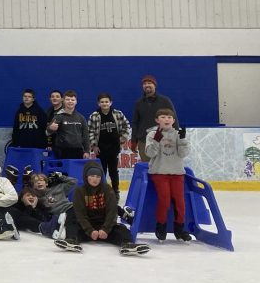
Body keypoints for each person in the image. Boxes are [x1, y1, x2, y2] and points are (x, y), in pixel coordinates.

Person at [54, 162, 151, 255]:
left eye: (98, 176)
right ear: (86, 176)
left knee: (122, 229)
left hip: (105, 228)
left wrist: (106, 229)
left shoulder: (107, 189)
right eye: (92, 176)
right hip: (86, 228)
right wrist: (90, 230)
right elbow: (80, 215)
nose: (95, 179)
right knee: (73, 226)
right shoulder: (79, 191)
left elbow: (112, 211)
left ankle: (128, 245)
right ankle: (72, 240)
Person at [145, 109, 192, 241]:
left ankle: (180, 229)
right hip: (160, 172)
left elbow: (183, 154)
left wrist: (182, 140)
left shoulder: (178, 135)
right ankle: (161, 227)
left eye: (169, 117)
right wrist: (157, 139)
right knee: (164, 200)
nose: (166, 119)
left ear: (173, 120)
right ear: (157, 120)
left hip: (177, 173)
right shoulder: (152, 134)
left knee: (180, 202)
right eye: (163, 117)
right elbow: (150, 153)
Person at [88, 93, 131, 197]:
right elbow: (90, 131)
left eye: (106, 101)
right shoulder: (94, 116)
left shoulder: (118, 114)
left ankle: (116, 191)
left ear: (111, 102)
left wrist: (122, 139)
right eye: (102, 102)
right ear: (98, 103)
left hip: (114, 147)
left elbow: (127, 126)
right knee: (101, 170)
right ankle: (100, 190)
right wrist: (94, 145)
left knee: (113, 171)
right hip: (100, 148)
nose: (104, 103)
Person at [131, 75, 178, 162]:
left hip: (163, 140)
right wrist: (134, 140)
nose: (147, 85)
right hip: (144, 141)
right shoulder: (139, 103)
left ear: (154, 86)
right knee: (147, 167)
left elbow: (174, 119)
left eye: (149, 83)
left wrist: (175, 137)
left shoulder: (165, 101)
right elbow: (135, 122)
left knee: (163, 166)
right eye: (145, 83)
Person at [45, 91, 90, 159]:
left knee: (77, 170)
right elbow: (47, 132)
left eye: (72, 100)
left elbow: (86, 136)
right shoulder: (58, 116)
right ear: (63, 101)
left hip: (78, 151)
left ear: (76, 102)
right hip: (62, 151)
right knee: (62, 170)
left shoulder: (81, 118)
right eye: (68, 99)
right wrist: (50, 128)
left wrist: (87, 151)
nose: (70, 101)